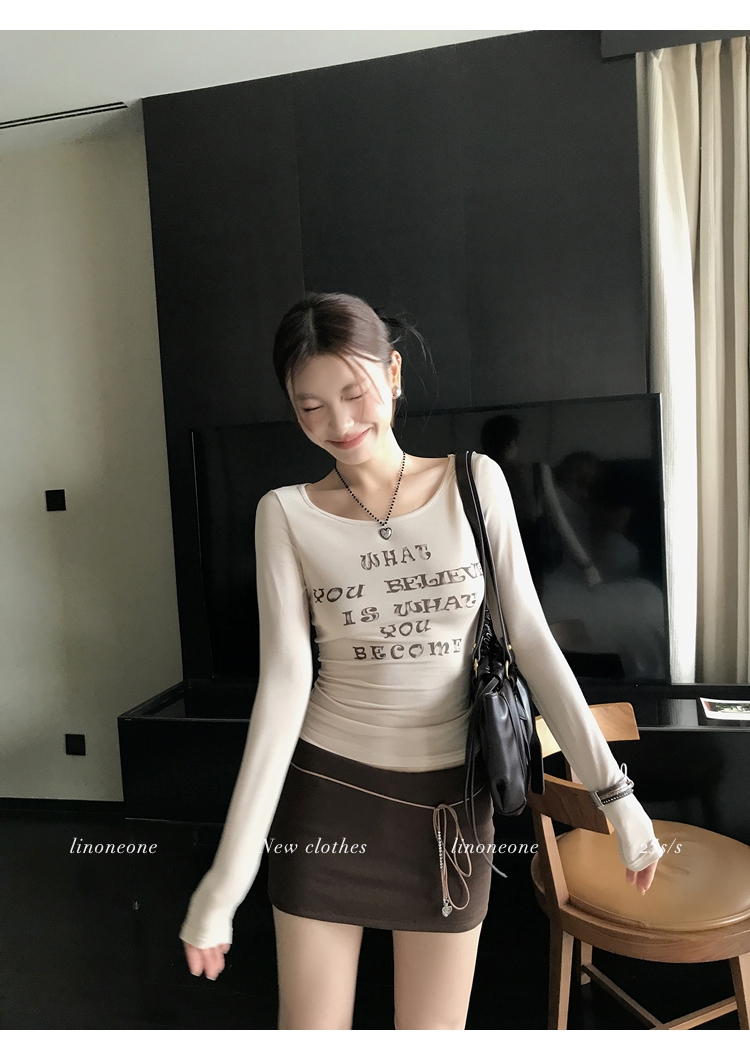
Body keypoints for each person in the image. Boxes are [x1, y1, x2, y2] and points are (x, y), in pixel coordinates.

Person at [179, 292, 663, 1030]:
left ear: (394, 372)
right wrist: (226, 880)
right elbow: (283, 687)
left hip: (450, 806)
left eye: (354, 393)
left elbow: (532, 642)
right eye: (310, 407)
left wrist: (614, 795)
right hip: (328, 794)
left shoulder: (474, 482)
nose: (339, 424)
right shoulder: (284, 512)